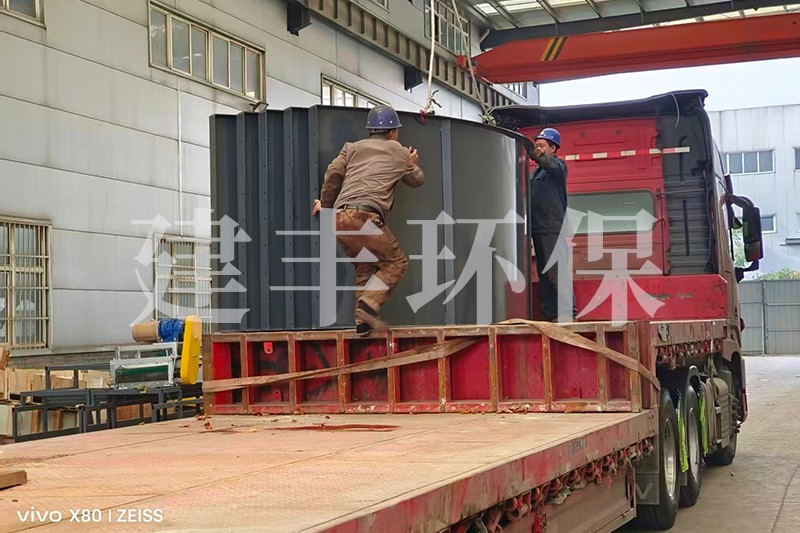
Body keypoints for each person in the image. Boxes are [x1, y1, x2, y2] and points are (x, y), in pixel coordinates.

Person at [312, 105, 424, 335]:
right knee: (396, 262)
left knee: (366, 266)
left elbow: (332, 174)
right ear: (393, 132)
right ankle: (368, 304)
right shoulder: (399, 151)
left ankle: (362, 323)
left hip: (339, 219)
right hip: (365, 217)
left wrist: (325, 205)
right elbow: (417, 180)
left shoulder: (351, 148)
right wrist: (411, 162)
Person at [527, 127, 576, 322]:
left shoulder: (558, 167)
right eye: (536, 145)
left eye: (542, 145)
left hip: (552, 227)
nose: (538, 148)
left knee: (556, 272)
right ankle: (550, 315)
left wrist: (536, 154)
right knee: (544, 274)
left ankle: (568, 314)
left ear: (553, 148)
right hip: (538, 228)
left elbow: (550, 164)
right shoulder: (535, 173)